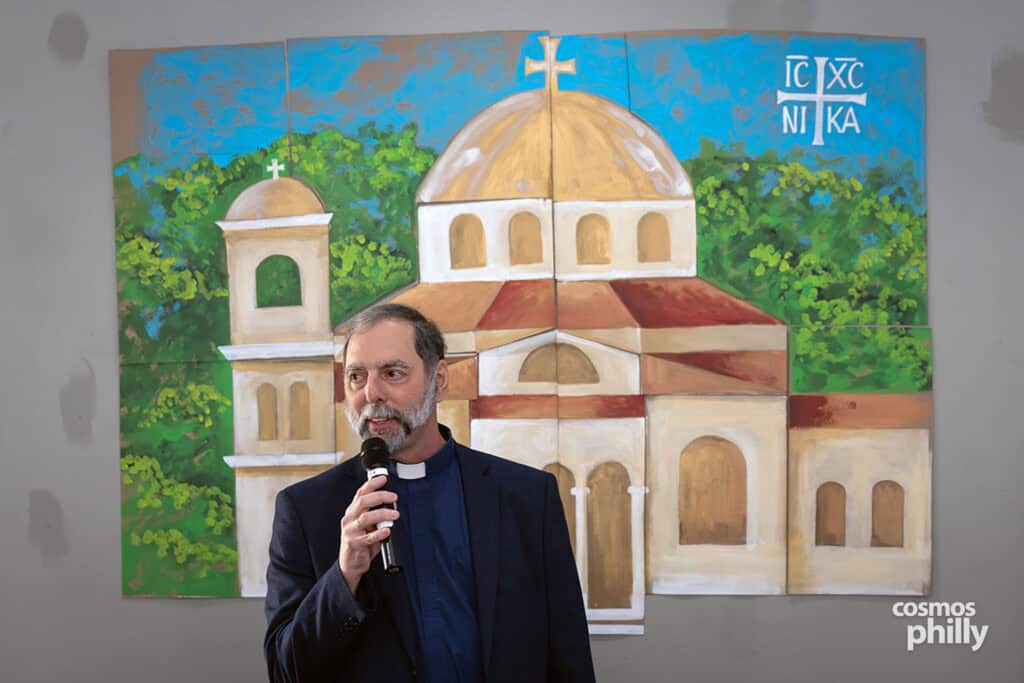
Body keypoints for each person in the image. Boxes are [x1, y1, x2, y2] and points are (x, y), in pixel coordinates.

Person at [264, 303, 595, 683]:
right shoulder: (304, 510)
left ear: (438, 380)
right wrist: (344, 574)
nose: (372, 393)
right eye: (356, 376)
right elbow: (286, 671)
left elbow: (568, 657)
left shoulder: (527, 498)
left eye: (392, 373)